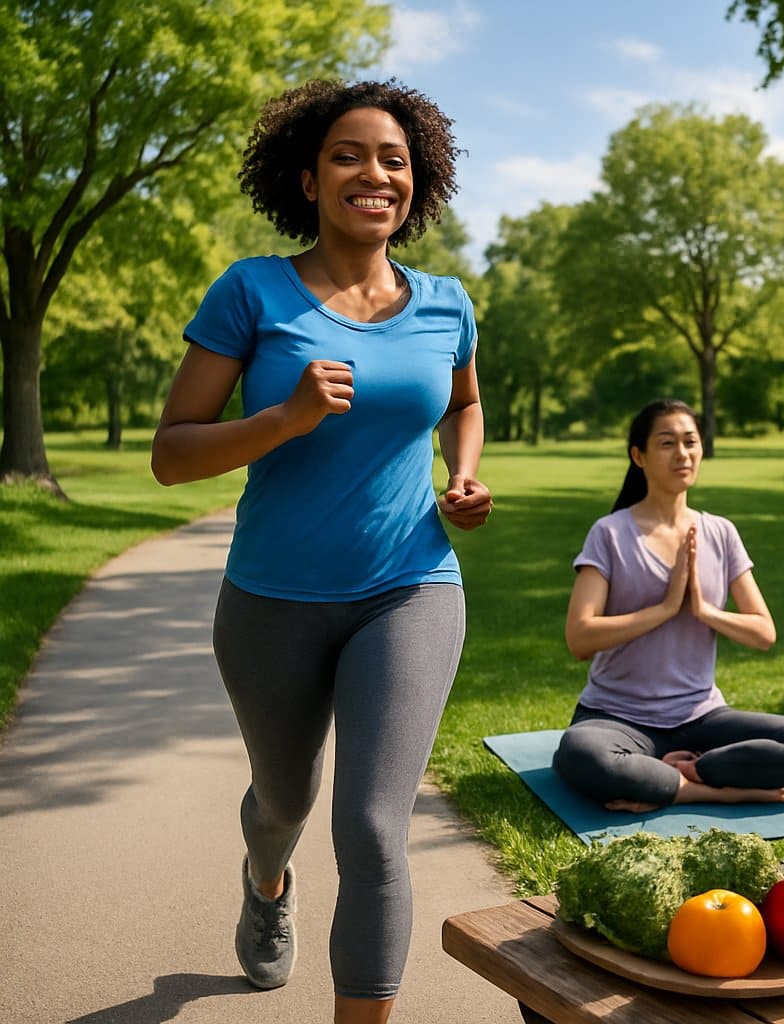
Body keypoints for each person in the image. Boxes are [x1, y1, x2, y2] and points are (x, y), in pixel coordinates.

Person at [151, 80, 489, 1024]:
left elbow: (464, 402)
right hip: (272, 597)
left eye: (395, 160)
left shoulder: (447, 303)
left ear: (416, 188)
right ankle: (266, 881)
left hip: (410, 586)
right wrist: (282, 419)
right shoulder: (252, 290)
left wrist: (461, 477)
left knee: (376, 828)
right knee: (284, 802)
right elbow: (172, 454)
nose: (374, 174)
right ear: (306, 178)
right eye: (349, 154)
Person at [553, 399, 784, 813]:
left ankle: (681, 773)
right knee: (582, 754)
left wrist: (703, 611)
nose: (682, 454)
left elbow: (764, 632)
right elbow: (580, 638)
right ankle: (706, 790)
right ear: (639, 456)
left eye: (690, 442)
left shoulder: (720, 532)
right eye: (667, 443)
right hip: (617, 717)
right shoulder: (609, 533)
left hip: (701, 719)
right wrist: (664, 609)